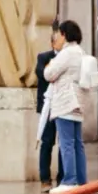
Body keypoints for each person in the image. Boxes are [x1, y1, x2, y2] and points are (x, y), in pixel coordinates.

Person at [42, 20, 89, 190]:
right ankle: (82, 180)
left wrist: (50, 65)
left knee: (66, 142)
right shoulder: (81, 52)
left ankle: (69, 180)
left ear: (64, 34)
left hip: (66, 101)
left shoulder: (66, 53)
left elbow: (49, 74)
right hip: (77, 101)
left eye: (59, 34)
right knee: (77, 142)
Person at [34, 43, 57, 185]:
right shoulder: (43, 57)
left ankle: (63, 177)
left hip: (63, 105)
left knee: (66, 143)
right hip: (47, 106)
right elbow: (41, 73)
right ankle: (44, 177)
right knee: (47, 141)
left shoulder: (67, 56)